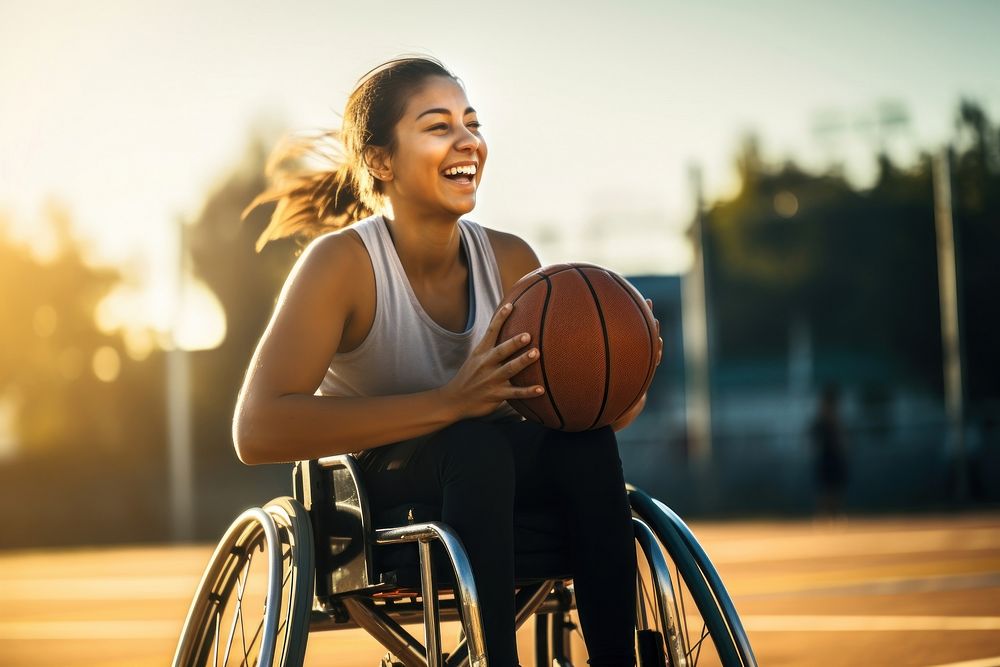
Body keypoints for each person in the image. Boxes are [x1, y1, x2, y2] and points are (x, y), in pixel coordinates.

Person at [235, 56, 661, 667]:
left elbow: (568, 416)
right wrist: (449, 404)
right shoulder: (343, 266)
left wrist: (623, 379)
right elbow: (257, 430)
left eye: (472, 122)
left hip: (489, 474)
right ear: (382, 161)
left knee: (585, 447)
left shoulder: (513, 261)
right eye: (438, 126)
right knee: (473, 446)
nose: (468, 140)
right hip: (376, 486)